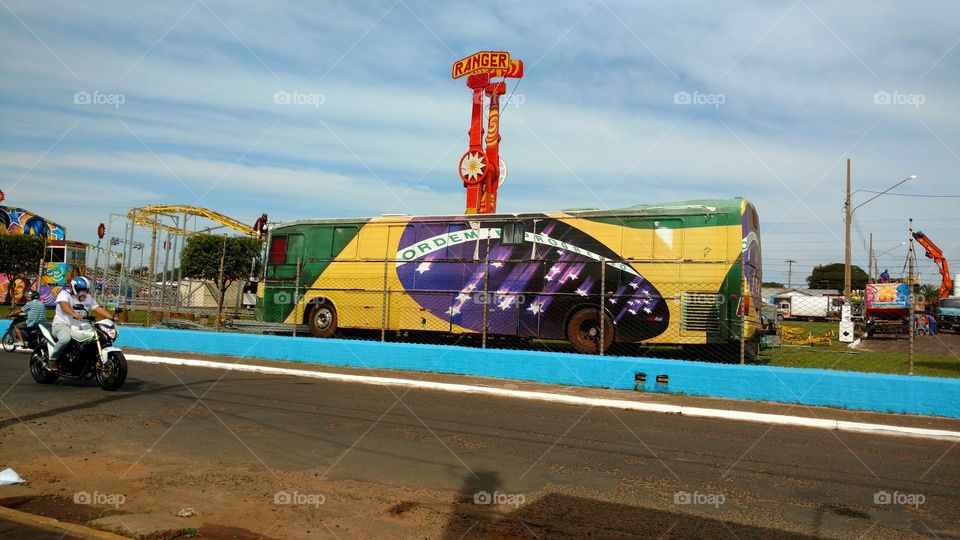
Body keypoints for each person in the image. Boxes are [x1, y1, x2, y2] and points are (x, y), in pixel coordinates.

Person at [49, 277, 114, 372]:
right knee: (65, 339)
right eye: (82, 290)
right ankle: (52, 360)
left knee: (96, 337)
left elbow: (98, 308)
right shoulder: (64, 294)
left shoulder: (88, 298)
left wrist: (112, 317)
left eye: (86, 290)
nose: (84, 293)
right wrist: (74, 314)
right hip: (62, 325)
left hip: (80, 326)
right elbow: (64, 306)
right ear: (74, 288)